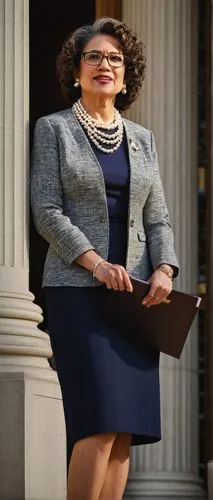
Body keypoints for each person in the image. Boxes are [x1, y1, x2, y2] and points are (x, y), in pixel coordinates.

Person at [30, 16, 179, 500]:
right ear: (76, 70)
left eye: (114, 58)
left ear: (125, 72)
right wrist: (94, 261)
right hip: (79, 293)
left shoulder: (143, 138)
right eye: (93, 56)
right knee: (96, 423)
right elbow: (46, 210)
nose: (104, 65)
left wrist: (164, 268)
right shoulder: (53, 129)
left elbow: (158, 218)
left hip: (135, 300)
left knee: (122, 435)